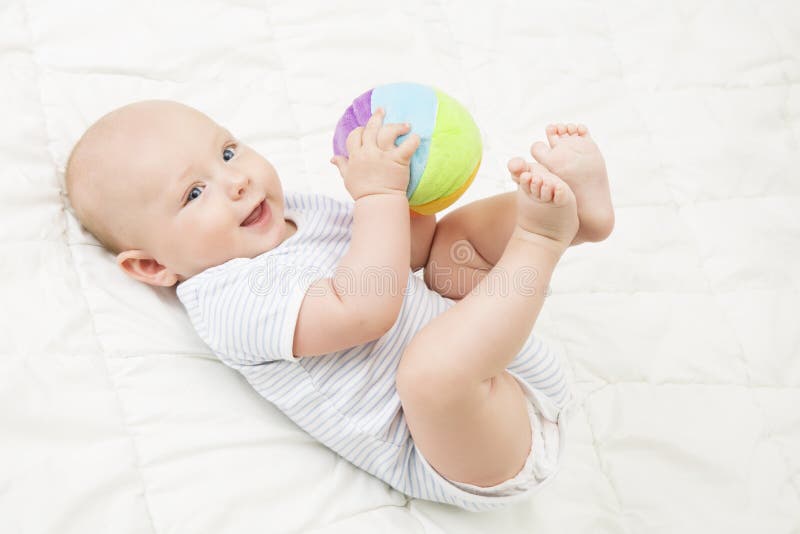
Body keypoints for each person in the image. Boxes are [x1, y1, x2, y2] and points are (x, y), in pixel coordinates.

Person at [65, 100, 614, 511]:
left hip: (499, 360)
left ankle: (578, 222)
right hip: (471, 445)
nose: (235, 181)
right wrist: (379, 198)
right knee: (428, 374)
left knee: (453, 243)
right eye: (192, 194)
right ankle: (540, 241)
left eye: (228, 152)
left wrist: (412, 189)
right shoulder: (225, 302)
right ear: (152, 266)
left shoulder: (296, 214)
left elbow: (408, 254)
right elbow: (366, 307)